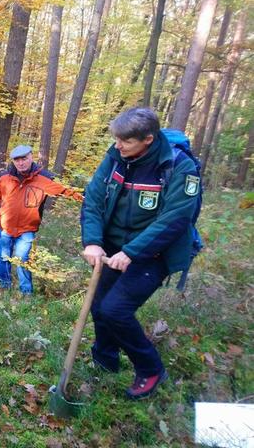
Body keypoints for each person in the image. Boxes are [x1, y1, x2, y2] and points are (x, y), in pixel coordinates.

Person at [81, 107, 200, 400]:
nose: (118, 145)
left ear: (148, 139)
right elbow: (94, 198)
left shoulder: (178, 167)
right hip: (113, 247)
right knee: (99, 307)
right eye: (117, 139)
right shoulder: (115, 158)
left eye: (126, 141)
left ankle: (150, 368)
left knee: (115, 310)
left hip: (155, 253)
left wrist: (132, 252)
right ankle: (105, 360)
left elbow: (175, 219)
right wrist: (93, 241)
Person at [0, 145, 84, 294]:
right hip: (5, 228)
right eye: (17, 160)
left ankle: (26, 292)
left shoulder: (44, 178)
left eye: (24, 158)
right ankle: (4, 285)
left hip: (27, 229)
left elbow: (66, 191)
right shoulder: (4, 178)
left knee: (23, 259)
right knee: (3, 257)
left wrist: (88, 197)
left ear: (31, 157)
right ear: (13, 161)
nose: (21, 163)